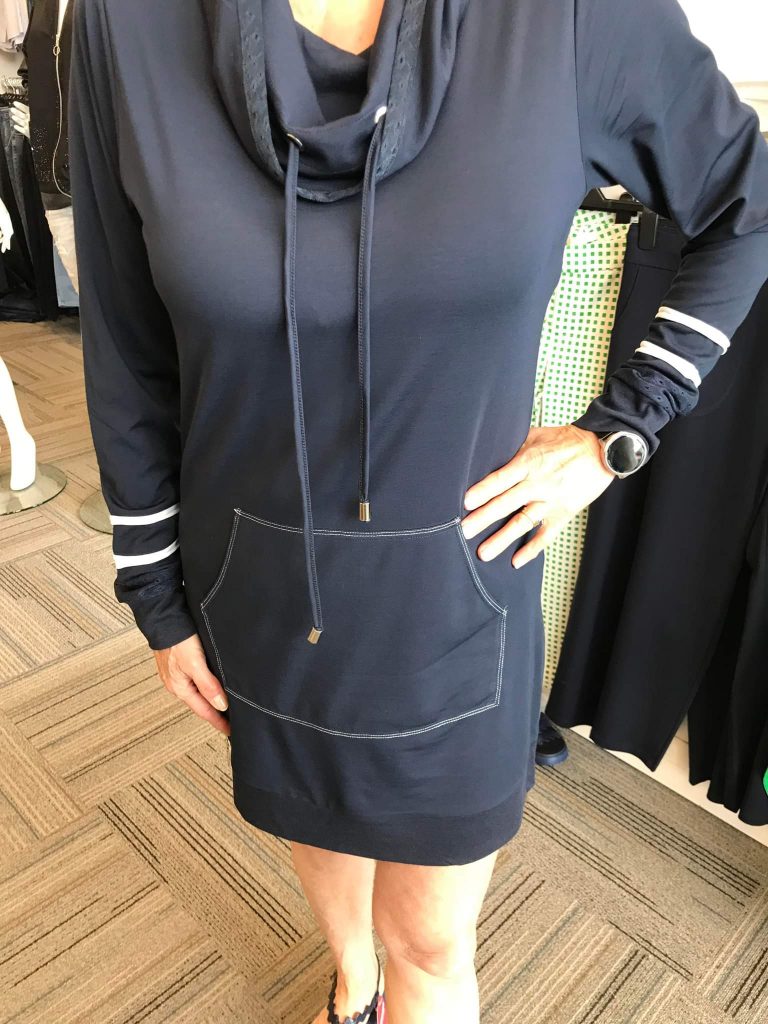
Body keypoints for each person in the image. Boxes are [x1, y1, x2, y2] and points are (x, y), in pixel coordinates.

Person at [67, 0, 768, 1021]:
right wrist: (155, 595)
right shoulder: (124, 23)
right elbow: (125, 338)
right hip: (256, 584)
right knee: (316, 826)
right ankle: (351, 975)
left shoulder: (570, 18)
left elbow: (746, 205)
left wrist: (619, 431)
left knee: (432, 944)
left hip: (460, 593)